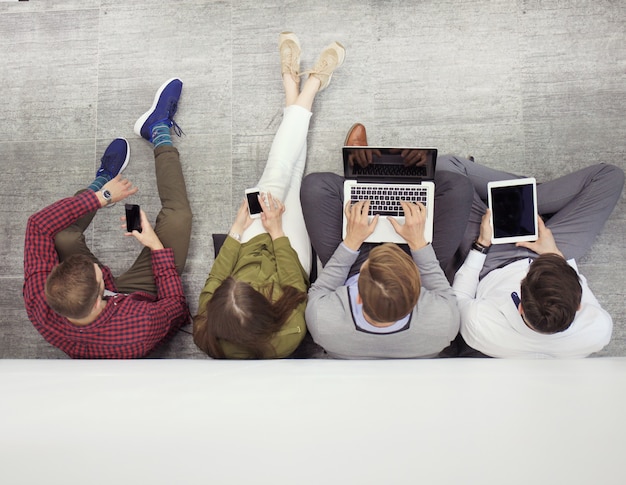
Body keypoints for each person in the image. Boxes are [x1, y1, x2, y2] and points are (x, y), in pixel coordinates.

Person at [193, 32, 346, 359]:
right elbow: (293, 284)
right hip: (289, 258)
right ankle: (300, 86)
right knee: (291, 180)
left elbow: (218, 275)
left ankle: (306, 86)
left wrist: (236, 229)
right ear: (267, 312)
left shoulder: (206, 325)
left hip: (246, 244)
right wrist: (277, 232)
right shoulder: (288, 334)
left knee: (277, 173)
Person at [23, 78, 193, 358]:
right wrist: (154, 245)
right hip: (139, 299)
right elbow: (174, 306)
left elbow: (38, 225)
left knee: (62, 235)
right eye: (99, 273)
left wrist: (101, 197)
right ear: (99, 293)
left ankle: (102, 182)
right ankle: (159, 129)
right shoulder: (140, 326)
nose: (102, 268)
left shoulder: (41, 303)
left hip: (101, 302)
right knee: (178, 218)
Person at [300, 124, 473, 359]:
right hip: (415, 260)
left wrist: (351, 243)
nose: (381, 250)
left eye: (368, 269)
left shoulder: (322, 324)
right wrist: (418, 244)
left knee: (314, 187)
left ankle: (365, 173)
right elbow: (442, 290)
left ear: (358, 296)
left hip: (351, 259)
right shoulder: (444, 324)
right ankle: (391, 176)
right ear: (416, 296)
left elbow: (320, 290)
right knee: (458, 187)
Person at [439, 155, 624, 358]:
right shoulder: (598, 331)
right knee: (609, 176)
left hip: (493, 259)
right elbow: (572, 278)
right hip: (557, 251)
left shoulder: (480, 328)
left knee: (446, 168)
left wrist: (481, 244)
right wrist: (553, 254)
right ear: (578, 306)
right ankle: (529, 197)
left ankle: (521, 198)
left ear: (520, 307)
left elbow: (461, 296)